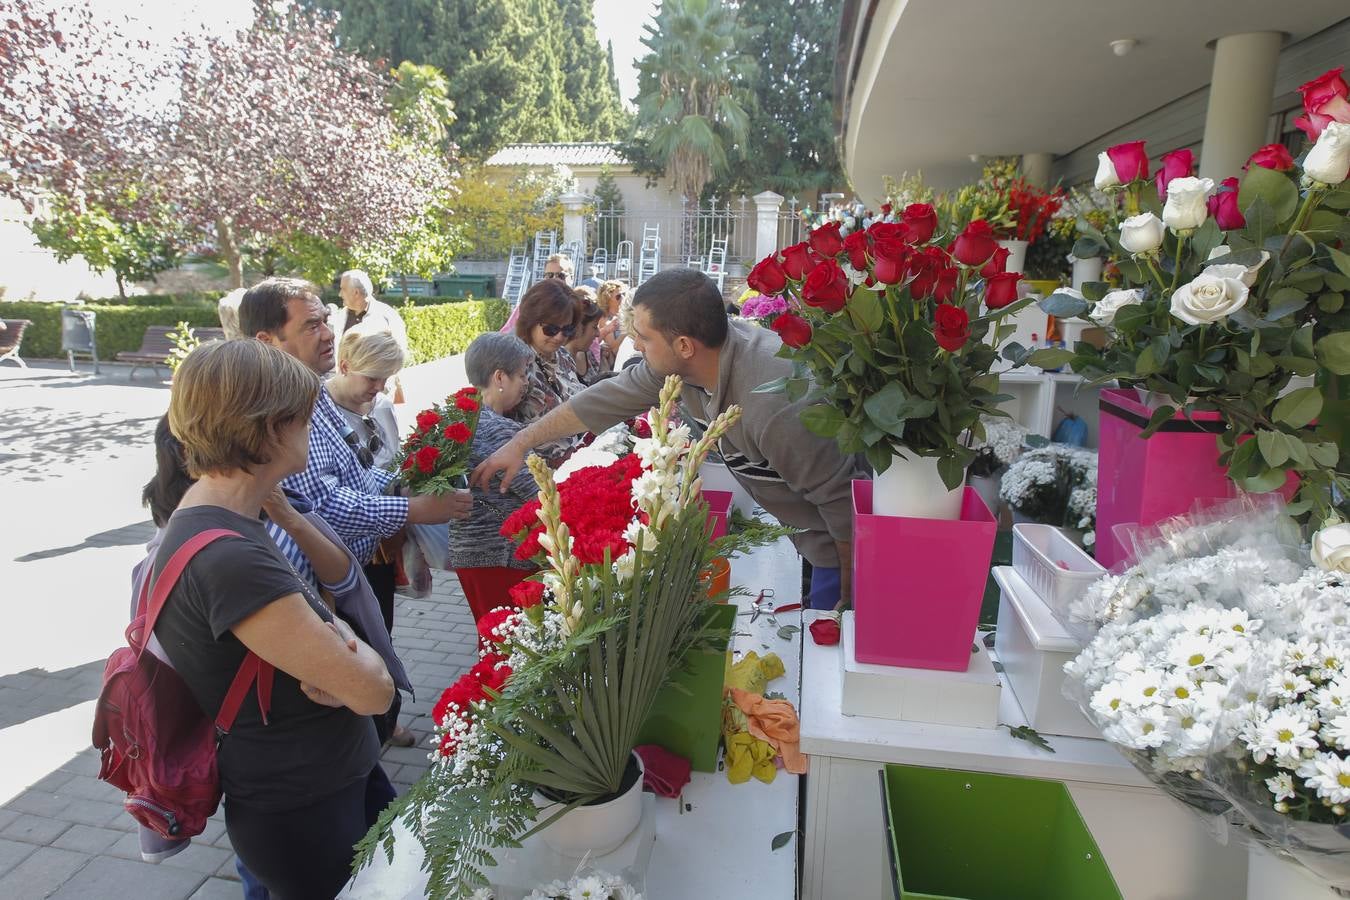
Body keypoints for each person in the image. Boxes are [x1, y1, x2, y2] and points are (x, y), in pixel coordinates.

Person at [154, 339, 395, 900]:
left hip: (325, 781)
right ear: (269, 429)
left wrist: (334, 643)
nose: (317, 427)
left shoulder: (221, 516)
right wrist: (342, 638)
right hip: (306, 804)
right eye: (307, 416)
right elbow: (373, 691)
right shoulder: (230, 556)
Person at [473, 269, 863, 611]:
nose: (634, 345)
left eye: (643, 336)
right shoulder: (685, 363)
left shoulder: (775, 404)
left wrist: (849, 598)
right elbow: (602, 400)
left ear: (684, 346)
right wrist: (520, 442)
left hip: (840, 553)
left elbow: (844, 505)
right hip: (806, 538)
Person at [324, 328, 417, 747]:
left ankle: (386, 721)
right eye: (373, 377)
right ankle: (364, 732)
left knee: (381, 632)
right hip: (342, 552)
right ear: (345, 366)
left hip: (380, 545)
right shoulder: (322, 413)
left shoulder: (378, 405)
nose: (380, 387)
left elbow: (391, 462)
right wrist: (410, 508)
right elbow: (333, 496)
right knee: (352, 642)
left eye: (386, 378)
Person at [450, 333, 540, 621]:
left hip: (472, 552)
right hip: (500, 556)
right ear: (500, 377)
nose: (526, 382)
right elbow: (539, 493)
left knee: (491, 635)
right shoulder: (498, 430)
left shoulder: (462, 419)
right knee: (508, 639)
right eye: (522, 374)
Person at [508, 279, 585, 466]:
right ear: (531, 322)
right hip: (537, 469)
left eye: (567, 329)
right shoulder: (515, 362)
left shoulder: (563, 356)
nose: (559, 337)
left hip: (577, 457)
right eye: (551, 329)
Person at [499, 253, 574, 335]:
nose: (555, 280)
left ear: (572, 278)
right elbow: (505, 336)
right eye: (550, 275)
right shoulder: (529, 305)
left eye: (561, 275)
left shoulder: (581, 307)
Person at [567, 291, 608, 386]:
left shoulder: (587, 353)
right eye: (595, 327)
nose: (598, 333)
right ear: (579, 327)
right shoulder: (561, 360)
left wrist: (603, 358)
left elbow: (602, 382)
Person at [595, 280, 627, 371]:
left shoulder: (623, 315)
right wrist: (627, 332)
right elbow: (613, 349)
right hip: (617, 366)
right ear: (607, 299)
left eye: (624, 294)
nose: (622, 298)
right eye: (618, 296)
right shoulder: (604, 319)